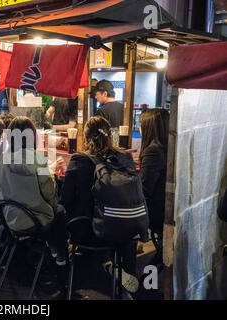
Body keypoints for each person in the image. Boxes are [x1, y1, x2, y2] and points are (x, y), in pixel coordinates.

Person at [60, 116, 139, 294]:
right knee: (126, 227)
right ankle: (126, 273)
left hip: (87, 232)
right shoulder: (125, 158)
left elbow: (66, 200)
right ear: (111, 136)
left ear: (86, 138)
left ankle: (65, 271)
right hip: (122, 229)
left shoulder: (79, 160)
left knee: (60, 216)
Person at [0, 116, 68, 265]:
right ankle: (60, 256)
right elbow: (49, 193)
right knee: (60, 210)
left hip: (9, 216)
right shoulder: (38, 158)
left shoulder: (2, 159)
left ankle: (52, 249)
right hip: (34, 219)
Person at [139, 109, 169, 266]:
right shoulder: (168, 147)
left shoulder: (153, 151)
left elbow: (144, 189)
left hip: (155, 211)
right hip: (165, 205)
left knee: (118, 214)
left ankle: (124, 269)